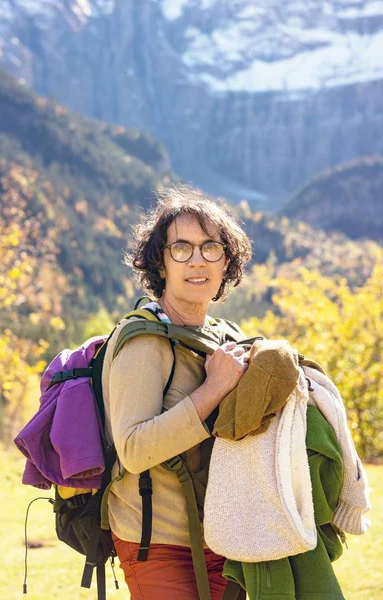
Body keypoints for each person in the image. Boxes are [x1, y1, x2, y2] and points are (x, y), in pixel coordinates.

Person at [101, 185, 253, 599]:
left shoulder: (224, 339)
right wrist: (215, 388)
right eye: (181, 248)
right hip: (158, 542)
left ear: (227, 263)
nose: (198, 260)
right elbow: (132, 448)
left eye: (211, 248)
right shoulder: (143, 341)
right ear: (161, 263)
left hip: (222, 537)